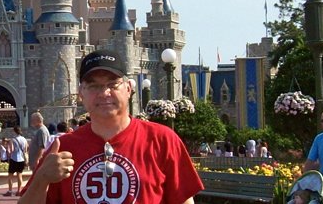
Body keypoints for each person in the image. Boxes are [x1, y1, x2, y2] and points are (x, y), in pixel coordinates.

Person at [19, 49, 203, 204]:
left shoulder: (162, 140)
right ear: (81, 93)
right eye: (93, 86)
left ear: (128, 89)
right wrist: (42, 179)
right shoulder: (63, 148)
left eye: (113, 84)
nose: (104, 93)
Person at [5, 126, 28, 197]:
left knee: (10, 176)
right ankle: (19, 190)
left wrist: (8, 151)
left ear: (14, 131)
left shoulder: (13, 140)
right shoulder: (24, 139)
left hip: (14, 159)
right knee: (19, 176)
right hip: (21, 159)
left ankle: (10, 191)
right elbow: (26, 149)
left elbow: (11, 150)